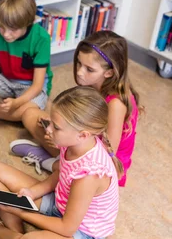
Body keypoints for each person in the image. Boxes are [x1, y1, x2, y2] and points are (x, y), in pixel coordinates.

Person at [0, 86, 121, 239]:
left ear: (82, 134)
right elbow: (60, 174)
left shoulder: (89, 176)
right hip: (60, 203)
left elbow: (67, 228)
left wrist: (21, 212)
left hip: (79, 232)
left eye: (56, 127)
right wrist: (33, 192)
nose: (48, 130)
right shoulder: (73, 142)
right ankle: (17, 234)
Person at [11, 31, 141, 186]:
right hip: (82, 139)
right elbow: (81, 119)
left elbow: (107, 152)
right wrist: (58, 126)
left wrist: (64, 141)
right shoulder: (93, 85)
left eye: (89, 69)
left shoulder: (116, 104)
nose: (79, 72)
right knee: (30, 114)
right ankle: (57, 159)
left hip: (101, 165)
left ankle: (51, 163)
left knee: (69, 161)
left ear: (109, 72)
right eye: (79, 63)